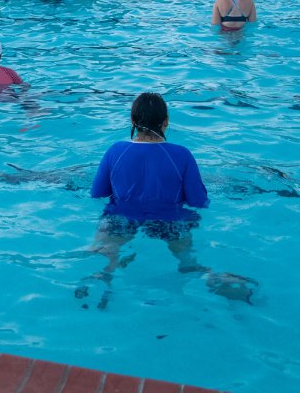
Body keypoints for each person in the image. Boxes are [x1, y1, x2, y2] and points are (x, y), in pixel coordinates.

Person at [83, 93, 255, 306]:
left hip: (121, 217)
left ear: (132, 121)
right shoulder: (182, 154)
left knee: (104, 254)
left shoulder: (115, 151)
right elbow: (198, 202)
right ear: (166, 121)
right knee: (189, 262)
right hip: (170, 220)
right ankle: (210, 279)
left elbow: (97, 194)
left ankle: (100, 278)